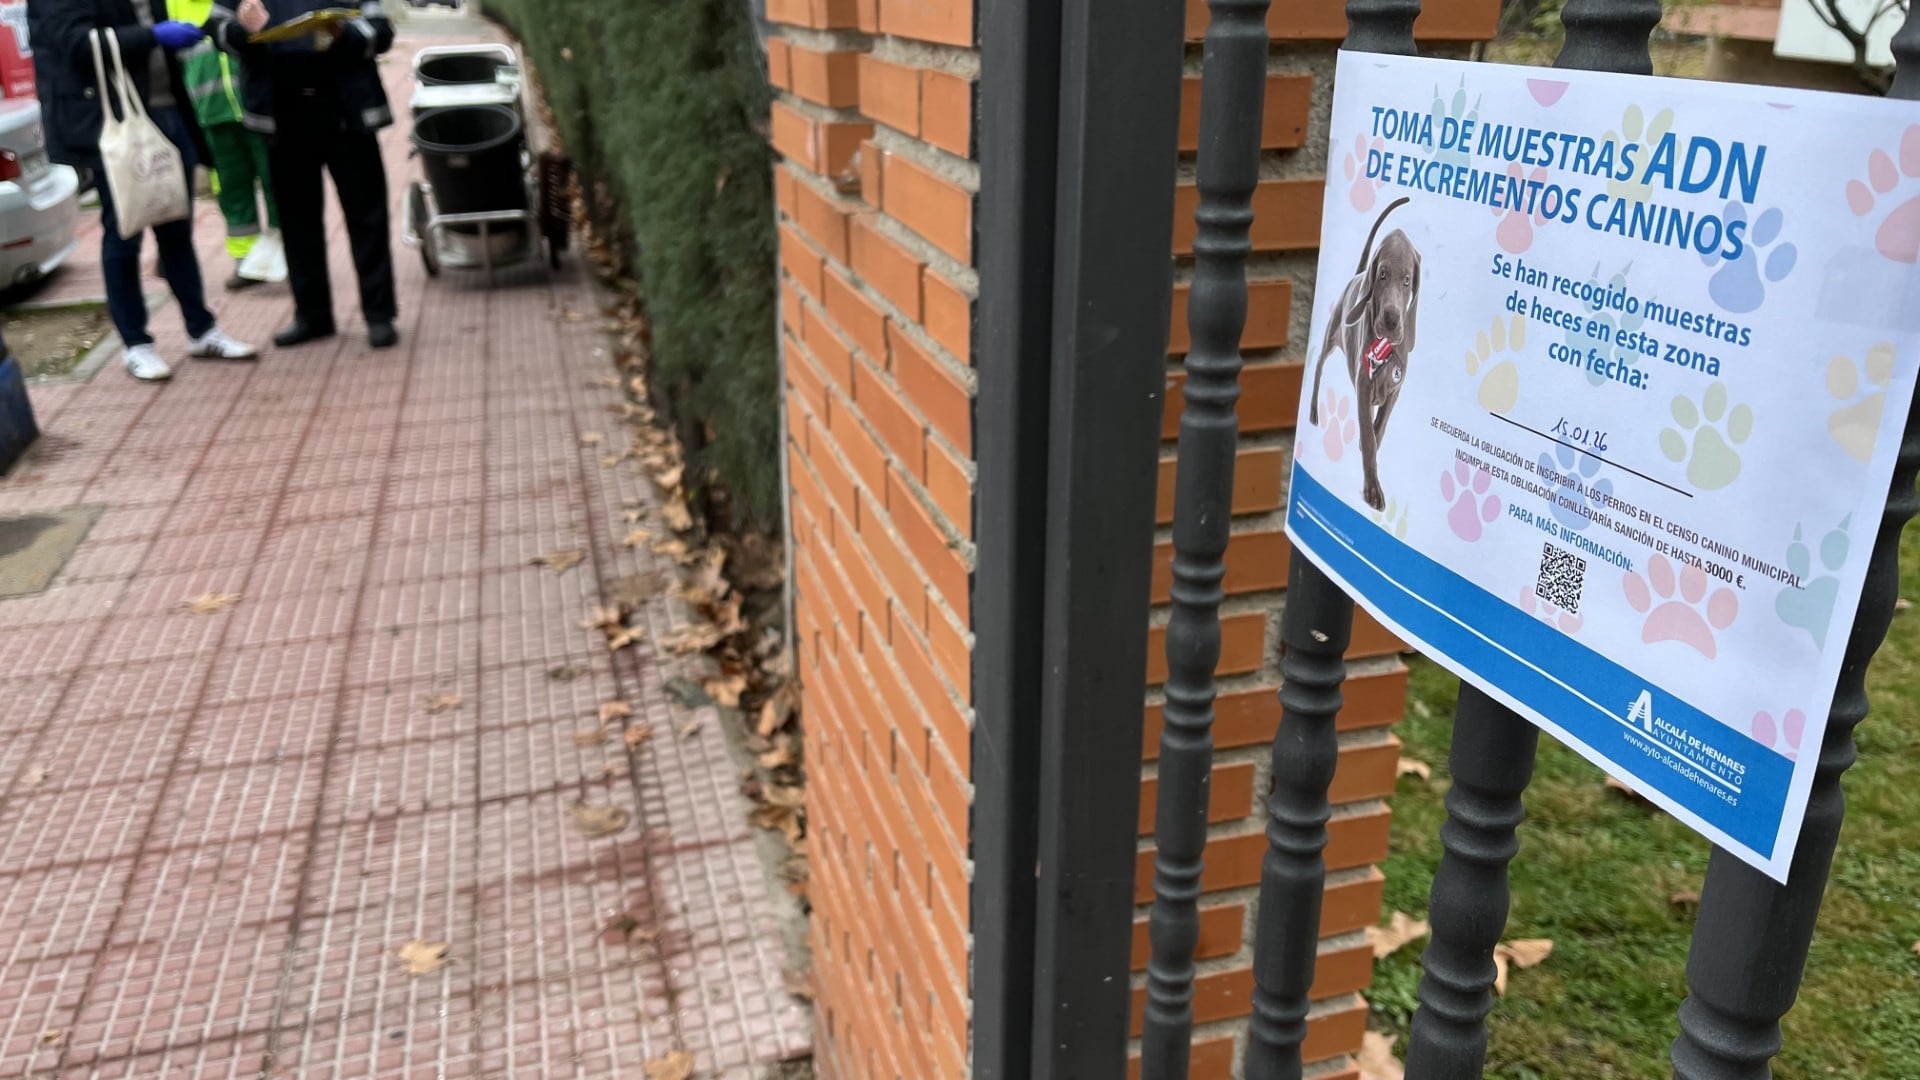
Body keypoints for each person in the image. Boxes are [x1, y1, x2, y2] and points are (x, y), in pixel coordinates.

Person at [28, 0, 260, 381]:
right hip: (113, 124)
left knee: (176, 228)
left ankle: (201, 330)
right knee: (124, 233)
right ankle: (135, 343)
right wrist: (153, 36)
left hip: (167, 111)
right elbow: (76, 43)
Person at [210, 0, 399, 350]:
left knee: (367, 217)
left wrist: (343, 34)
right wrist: (243, 27)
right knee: (297, 222)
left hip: (347, 111)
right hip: (282, 114)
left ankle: (379, 315)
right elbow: (219, 32)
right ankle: (313, 317)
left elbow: (381, 32)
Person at [173, 0, 284, 291]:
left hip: (256, 105)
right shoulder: (174, 3)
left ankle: (288, 253)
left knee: (277, 181)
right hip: (211, 111)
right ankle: (246, 260)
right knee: (231, 189)